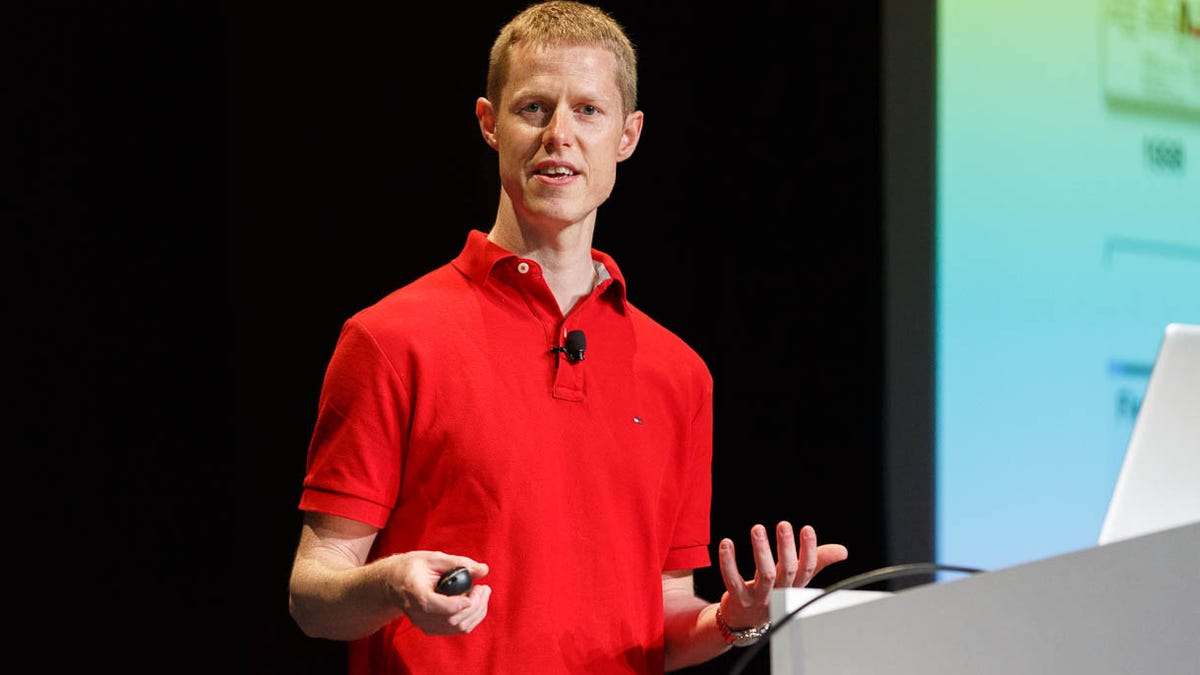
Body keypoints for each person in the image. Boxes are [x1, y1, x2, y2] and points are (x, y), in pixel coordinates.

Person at [287, 2, 849, 672]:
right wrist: (391, 585)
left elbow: (663, 616)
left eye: (588, 110)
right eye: (534, 108)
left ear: (627, 135)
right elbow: (313, 596)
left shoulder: (678, 373)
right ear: (489, 123)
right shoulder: (390, 339)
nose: (559, 134)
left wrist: (736, 618)